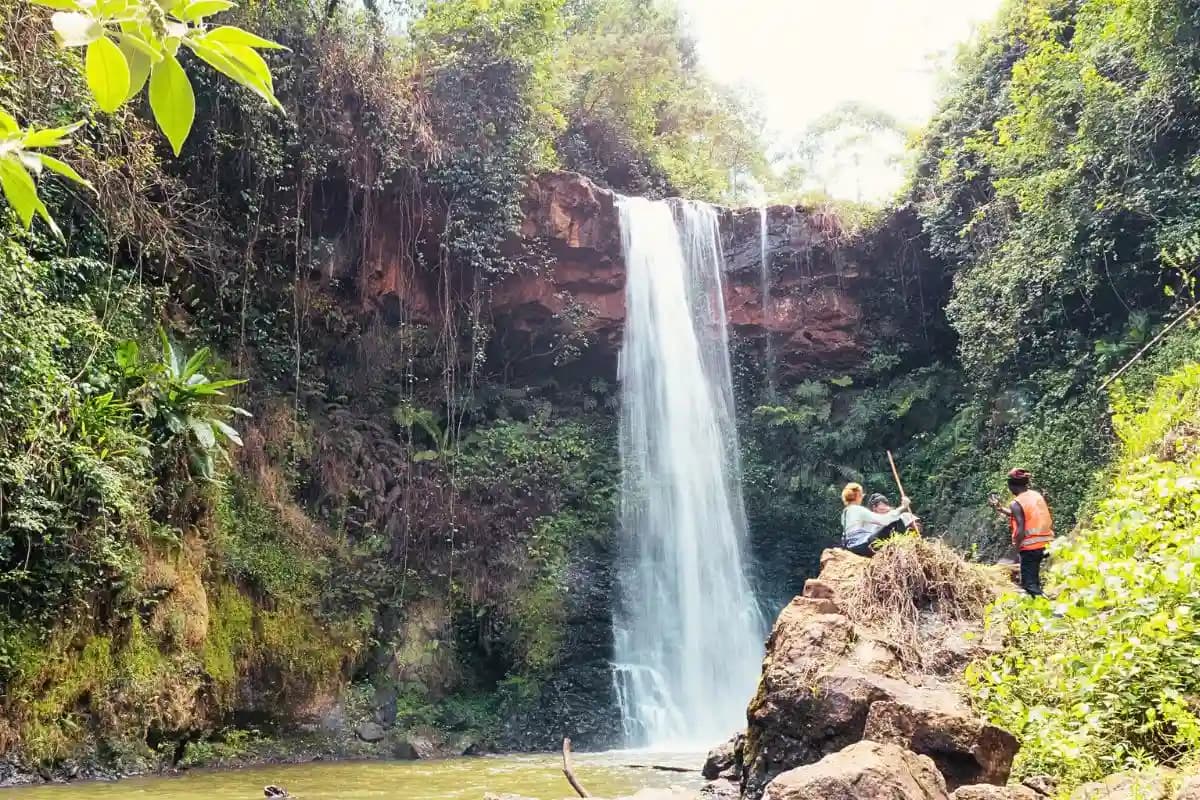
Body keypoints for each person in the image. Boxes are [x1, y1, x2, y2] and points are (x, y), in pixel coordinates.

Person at [989, 468, 1054, 596]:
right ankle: (1042, 601)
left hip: (1031, 547)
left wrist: (1015, 551)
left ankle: (1047, 610)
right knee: (1033, 578)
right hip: (1046, 543)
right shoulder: (1035, 495)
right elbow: (1024, 515)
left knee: (1029, 585)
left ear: (1011, 485)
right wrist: (1000, 509)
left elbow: (1020, 529)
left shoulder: (1016, 503)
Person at [841, 482, 911, 557]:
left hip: (851, 547)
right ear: (858, 495)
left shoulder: (845, 513)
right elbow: (884, 521)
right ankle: (904, 550)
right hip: (862, 546)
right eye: (861, 495)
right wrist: (902, 507)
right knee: (896, 522)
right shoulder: (857, 509)